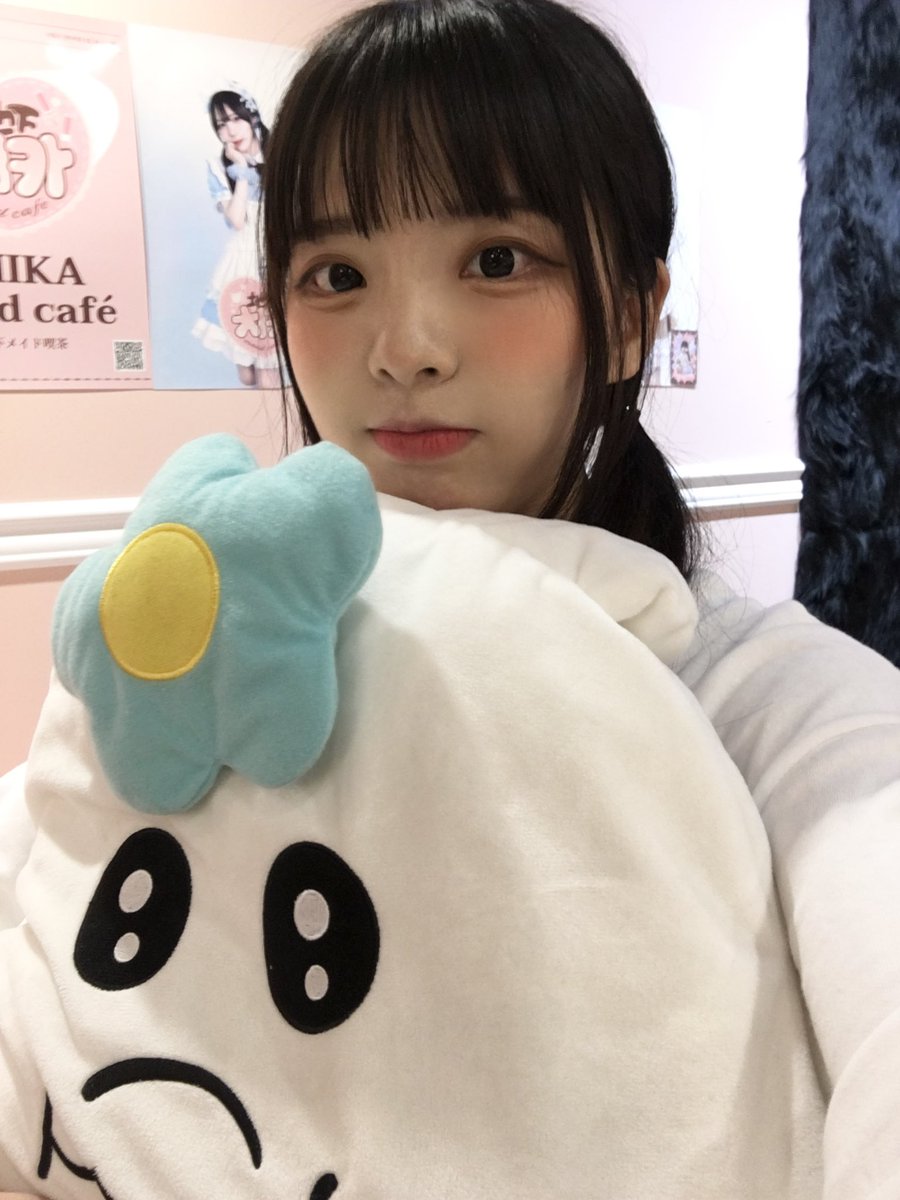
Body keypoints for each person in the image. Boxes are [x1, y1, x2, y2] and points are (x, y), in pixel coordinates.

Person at [3, 0, 900, 1195]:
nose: (406, 347)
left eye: (497, 261)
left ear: (631, 314)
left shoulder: (761, 702)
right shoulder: (234, 638)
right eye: (337, 275)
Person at [191, 87, 281, 389]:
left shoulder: (280, 156)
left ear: (252, 117)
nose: (230, 130)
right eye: (221, 124)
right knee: (246, 375)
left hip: (274, 262)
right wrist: (241, 169)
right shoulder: (219, 166)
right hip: (239, 267)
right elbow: (237, 220)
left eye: (235, 119)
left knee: (267, 373)